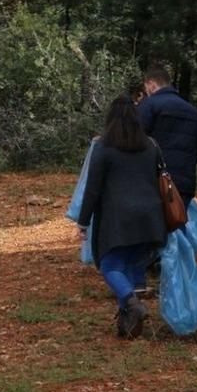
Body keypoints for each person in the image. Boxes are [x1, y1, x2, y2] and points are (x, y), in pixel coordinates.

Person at [76, 95, 165, 339]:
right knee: (133, 266)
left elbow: (92, 188)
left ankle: (132, 304)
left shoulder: (103, 147)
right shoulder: (151, 145)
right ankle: (128, 324)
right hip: (150, 217)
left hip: (118, 218)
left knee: (111, 266)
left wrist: (83, 221)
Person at [136, 64, 197, 207]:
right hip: (184, 183)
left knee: (150, 227)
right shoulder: (193, 112)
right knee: (174, 225)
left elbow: (135, 140)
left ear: (151, 84)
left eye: (146, 88)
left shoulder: (149, 106)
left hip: (153, 181)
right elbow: (196, 150)